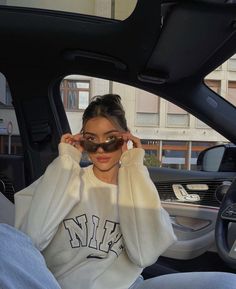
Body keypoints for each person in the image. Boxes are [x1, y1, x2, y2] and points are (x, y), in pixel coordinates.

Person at [11, 94, 236, 289]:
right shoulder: (64, 178)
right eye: (91, 140)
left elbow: (143, 254)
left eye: (111, 139)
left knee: (228, 284)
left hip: (127, 285)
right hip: (58, 284)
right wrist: (67, 160)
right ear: (81, 140)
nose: (101, 149)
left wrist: (134, 166)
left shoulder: (135, 185)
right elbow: (32, 240)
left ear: (126, 138)